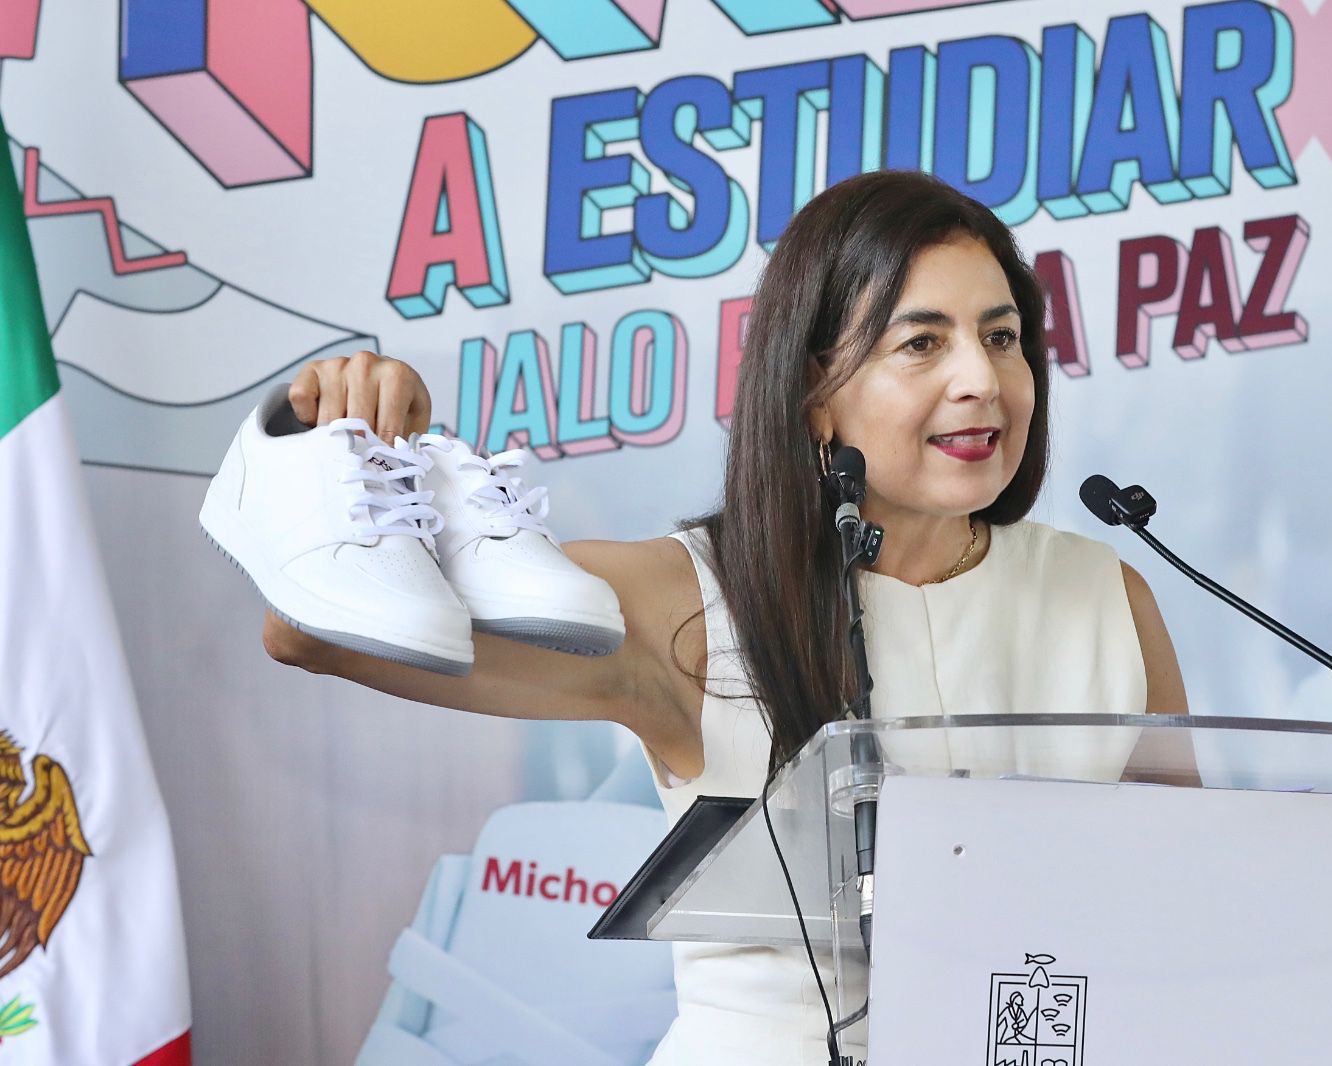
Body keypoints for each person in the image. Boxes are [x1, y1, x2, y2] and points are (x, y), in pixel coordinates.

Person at [265, 169, 1187, 1066]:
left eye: (1001, 336)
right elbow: (306, 630)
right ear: (816, 395)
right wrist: (344, 439)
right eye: (922, 343)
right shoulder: (694, 598)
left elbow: (1191, 910)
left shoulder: (1106, 596)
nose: (981, 378)